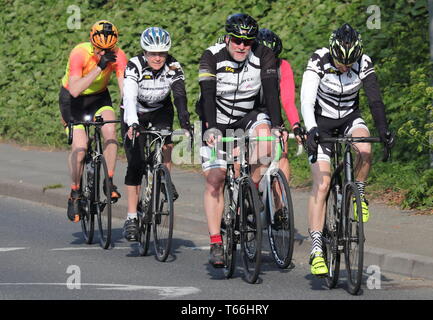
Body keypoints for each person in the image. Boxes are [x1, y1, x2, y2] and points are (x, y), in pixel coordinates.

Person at [300, 23, 394, 276]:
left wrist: (383, 129)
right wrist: (311, 130)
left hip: (350, 117)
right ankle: (317, 249)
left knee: (364, 149)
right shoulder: (318, 60)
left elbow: (374, 99)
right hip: (322, 123)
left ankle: (359, 193)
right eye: (341, 62)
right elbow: (307, 100)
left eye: (349, 63)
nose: (345, 67)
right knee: (322, 184)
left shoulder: (362, 62)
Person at [197, 13, 283, 267]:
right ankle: (215, 242)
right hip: (216, 118)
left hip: (248, 116)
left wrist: (278, 125)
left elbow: (271, 92)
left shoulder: (264, 55)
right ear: (227, 37)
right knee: (216, 179)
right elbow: (208, 94)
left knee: (267, 141)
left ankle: (250, 189)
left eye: (247, 42)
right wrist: (211, 129)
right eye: (236, 40)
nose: (242, 46)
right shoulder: (210, 56)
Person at [121, 27, 191, 241]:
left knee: (166, 143)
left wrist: (185, 121)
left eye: (162, 53)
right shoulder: (134, 65)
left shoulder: (173, 66)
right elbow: (130, 97)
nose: (158, 58)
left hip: (161, 109)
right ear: (145, 52)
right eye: (153, 53)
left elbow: (179, 95)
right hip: (136, 113)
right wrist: (132, 122)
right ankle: (132, 216)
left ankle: (163, 177)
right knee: (136, 161)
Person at [59, 20, 127, 223]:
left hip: (99, 97)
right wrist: (99, 67)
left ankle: (109, 181)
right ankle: (74, 193)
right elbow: (75, 89)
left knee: (111, 133)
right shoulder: (79, 53)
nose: (102, 53)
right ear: (92, 43)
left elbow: (124, 87)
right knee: (80, 149)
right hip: (73, 101)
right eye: (98, 50)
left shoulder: (118, 55)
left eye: (107, 50)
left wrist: (129, 111)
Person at [256, 28, 303, 183]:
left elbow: (288, 100)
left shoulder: (283, 66)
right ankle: (250, 195)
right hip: (248, 113)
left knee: (281, 154)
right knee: (249, 158)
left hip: (271, 112)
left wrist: (295, 125)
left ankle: (281, 205)